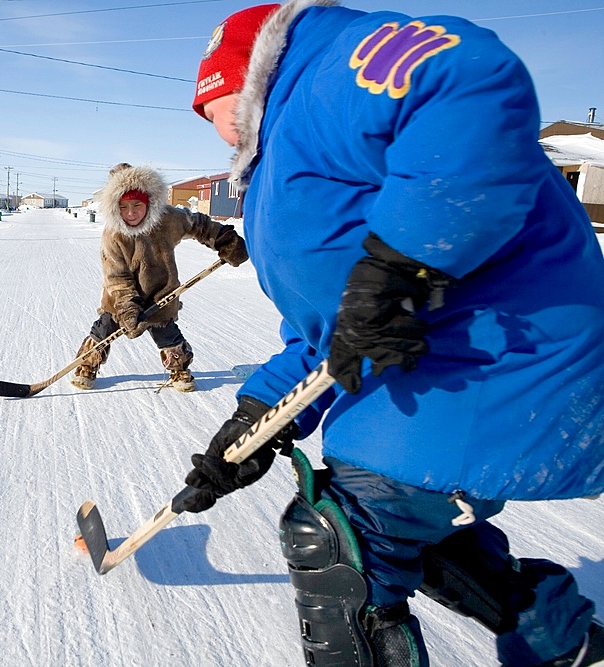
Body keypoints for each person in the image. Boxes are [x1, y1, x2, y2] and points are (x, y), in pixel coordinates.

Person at [180, 3, 604, 666]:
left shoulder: (323, 74)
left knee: (339, 538)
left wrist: (399, 264)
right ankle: (559, 637)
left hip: (497, 343)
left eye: (217, 108)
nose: (219, 132)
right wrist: (252, 423)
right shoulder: (281, 148)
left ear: (250, 75)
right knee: (404, 523)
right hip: (441, 360)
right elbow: (328, 334)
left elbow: (462, 76)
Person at [70, 163, 249, 392]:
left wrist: (225, 239)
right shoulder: (113, 234)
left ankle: (179, 368)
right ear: (115, 208)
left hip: (161, 292)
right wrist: (127, 307)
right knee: (103, 331)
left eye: (137, 205)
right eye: (123, 207)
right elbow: (116, 276)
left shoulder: (167, 219)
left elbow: (199, 224)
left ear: (149, 202)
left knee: (168, 335)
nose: (131, 212)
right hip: (120, 298)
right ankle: (86, 365)